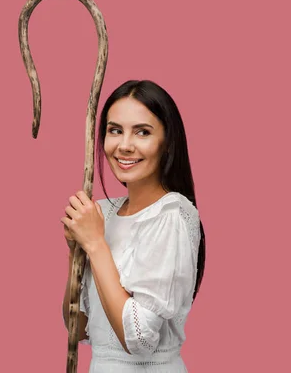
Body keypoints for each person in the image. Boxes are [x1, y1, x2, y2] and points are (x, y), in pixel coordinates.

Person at [61, 80, 206, 372]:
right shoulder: (102, 213)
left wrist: (94, 244)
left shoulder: (171, 215)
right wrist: (75, 253)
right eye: (115, 130)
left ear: (167, 142)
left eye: (142, 132)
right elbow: (78, 329)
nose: (125, 145)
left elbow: (139, 339)